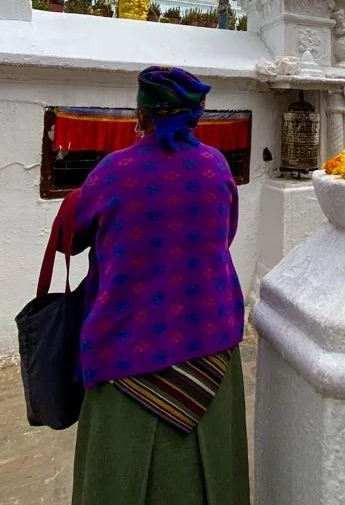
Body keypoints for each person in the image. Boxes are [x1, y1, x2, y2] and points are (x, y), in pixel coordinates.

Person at [65, 65, 249, 505]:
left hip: (126, 354)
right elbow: (224, 234)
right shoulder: (216, 166)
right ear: (195, 115)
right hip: (211, 350)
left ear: (141, 113)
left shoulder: (113, 171)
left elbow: (73, 237)